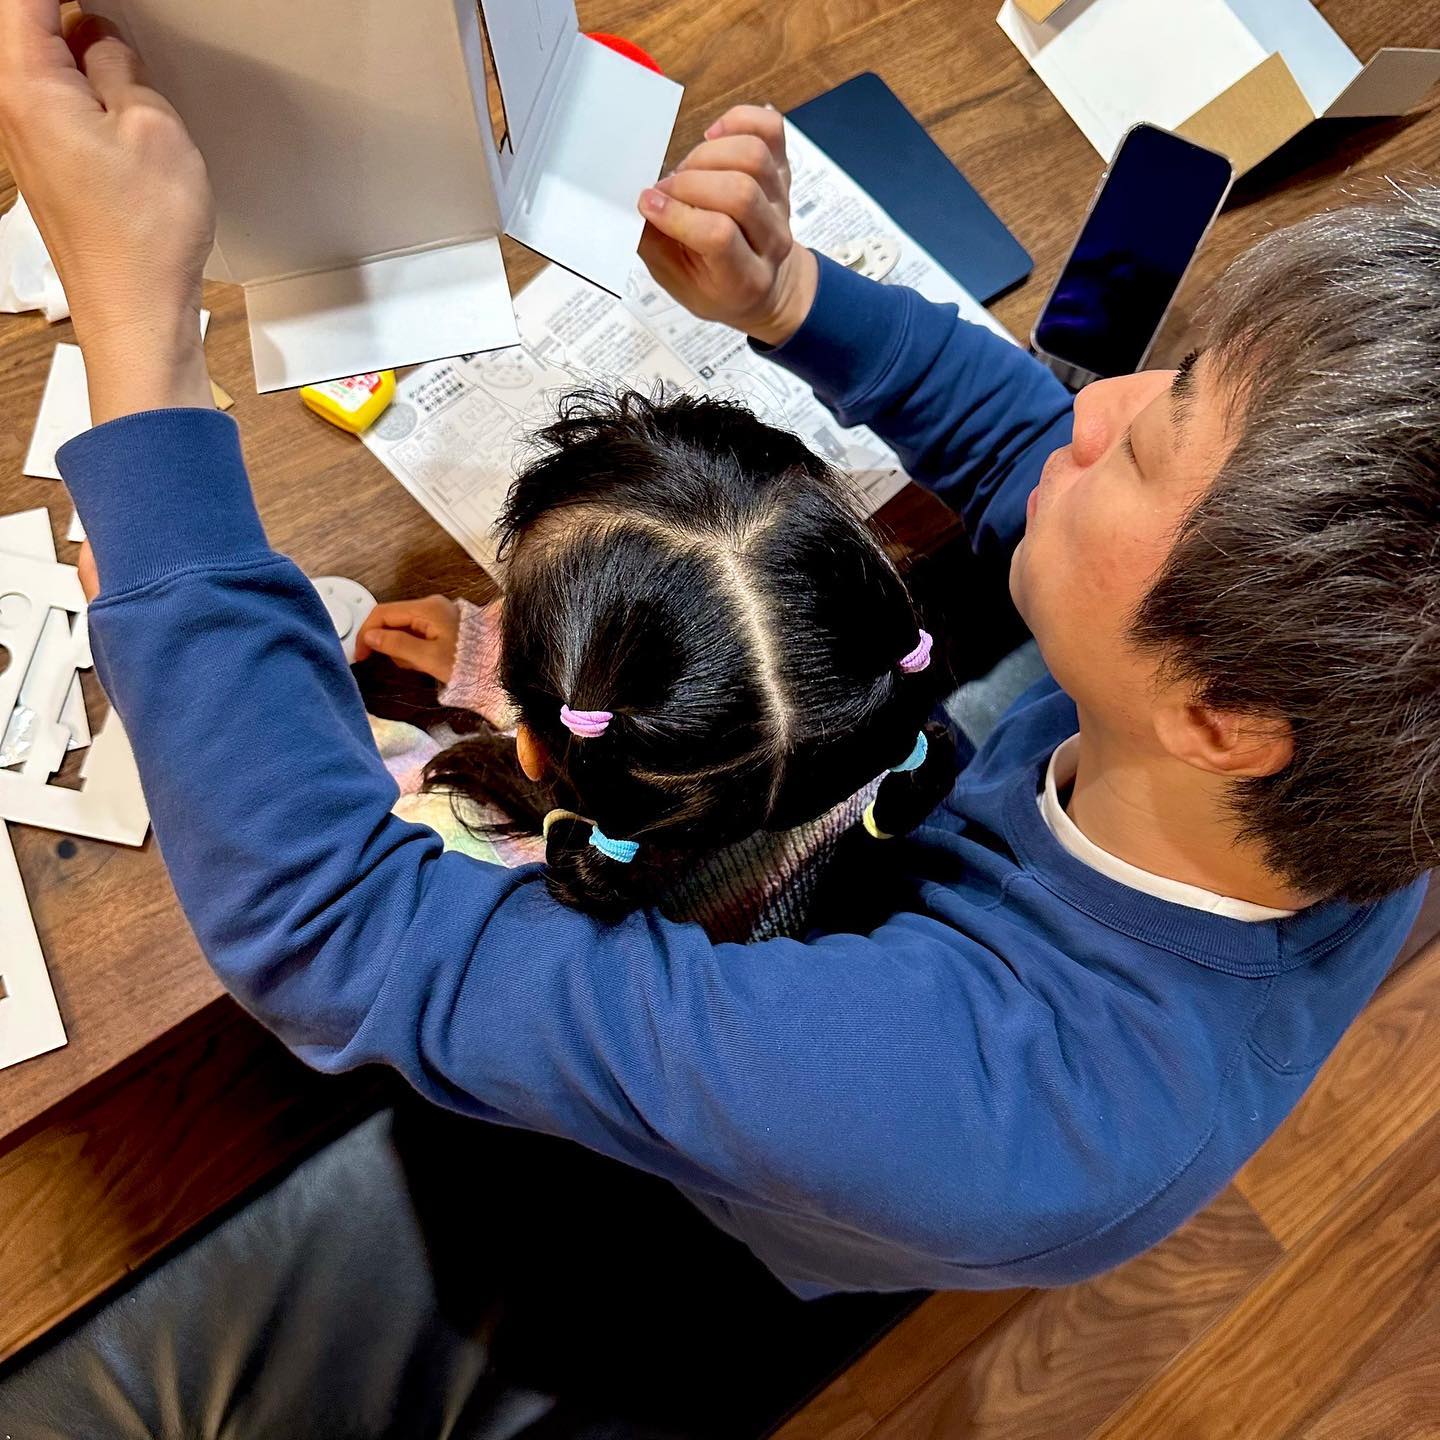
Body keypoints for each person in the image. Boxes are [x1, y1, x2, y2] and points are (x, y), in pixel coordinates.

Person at [3, 1, 1435, 1298]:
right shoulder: (1352, 732)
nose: (1094, 408)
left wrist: (139, 340)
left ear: (1224, 717)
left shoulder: (950, 1097)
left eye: (1154, 446)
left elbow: (328, 926)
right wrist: (790, 295)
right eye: (1171, 381)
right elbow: (1028, 454)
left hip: (765, 1211)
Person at [348, 387, 958, 941]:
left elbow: (320, 823)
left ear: (532, 743)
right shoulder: (863, 747)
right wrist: (496, 663)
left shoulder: (449, 854)